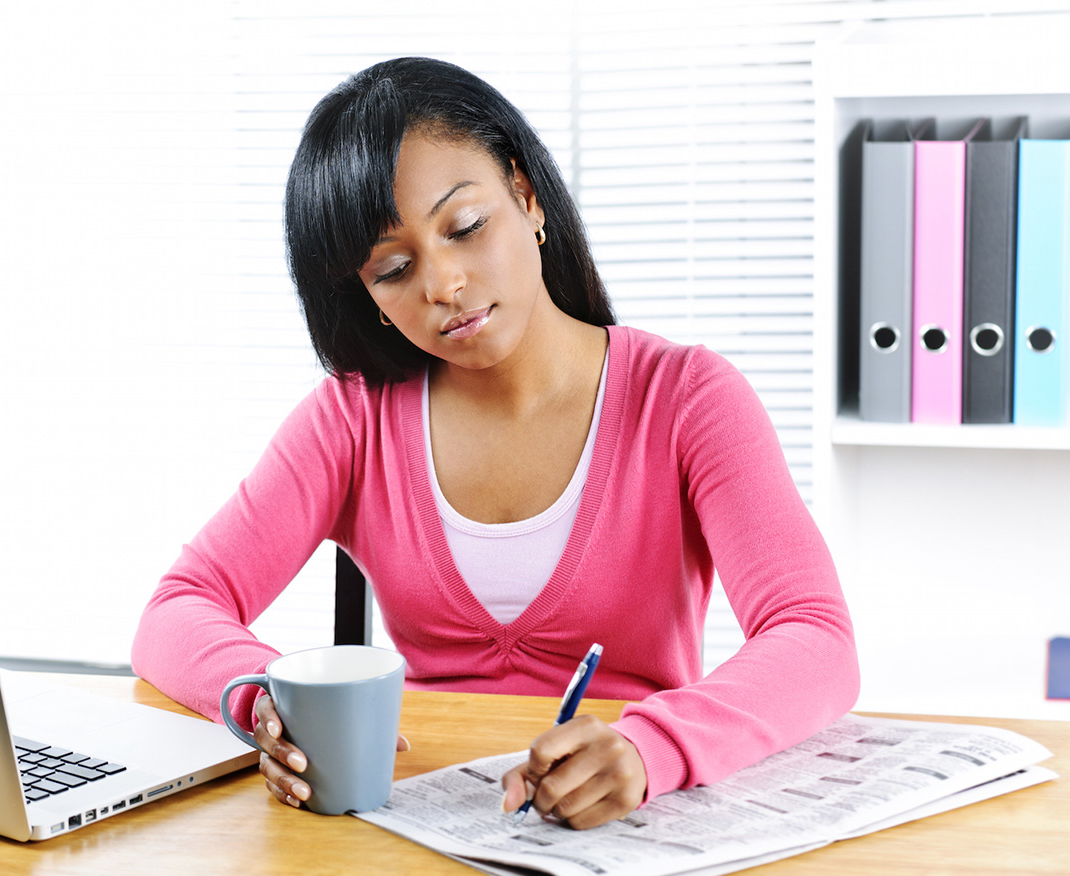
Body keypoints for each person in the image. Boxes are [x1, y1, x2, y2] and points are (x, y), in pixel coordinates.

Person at [131, 56, 859, 831]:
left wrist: (652, 749)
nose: (442, 284)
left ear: (526, 194)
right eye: (395, 269)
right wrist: (263, 699)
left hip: (627, 828)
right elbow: (177, 609)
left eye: (466, 226)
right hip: (413, 829)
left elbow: (814, 638)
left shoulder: (684, 399)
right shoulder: (356, 418)